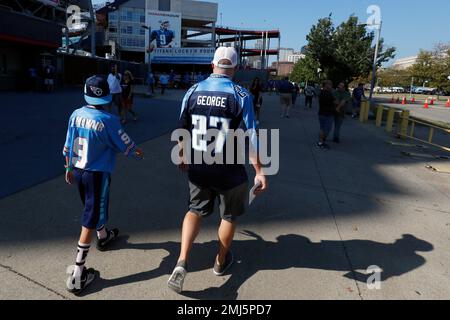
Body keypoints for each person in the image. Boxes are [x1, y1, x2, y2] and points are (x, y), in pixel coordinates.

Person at [167, 46, 268, 294]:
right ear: (234, 69)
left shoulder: (192, 91)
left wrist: (182, 154)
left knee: (194, 210)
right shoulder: (241, 95)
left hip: (199, 165)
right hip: (229, 168)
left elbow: (182, 128)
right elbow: (252, 136)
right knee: (229, 216)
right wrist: (260, 170)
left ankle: (181, 261)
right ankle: (220, 262)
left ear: (212, 66)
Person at [63, 75, 143, 295]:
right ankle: (79, 272)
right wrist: (138, 153)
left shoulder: (76, 115)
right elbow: (125, 143)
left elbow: (69, 144)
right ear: (106, 97)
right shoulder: (108, 120)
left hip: (78, 170)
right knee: (90, 214)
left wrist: (68, 168)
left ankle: (103, 235)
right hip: (97, 174)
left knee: (91, 206)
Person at [317, 80, 335, 149]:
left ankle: (321, 142)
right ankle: (321, 142)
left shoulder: (323, 92)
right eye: (330, 84)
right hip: (326, 114)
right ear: (326, 85)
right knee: (325, 129)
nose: (331, 86)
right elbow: (334, 101)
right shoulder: (327, 93)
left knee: (324, 128)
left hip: (323, 113)